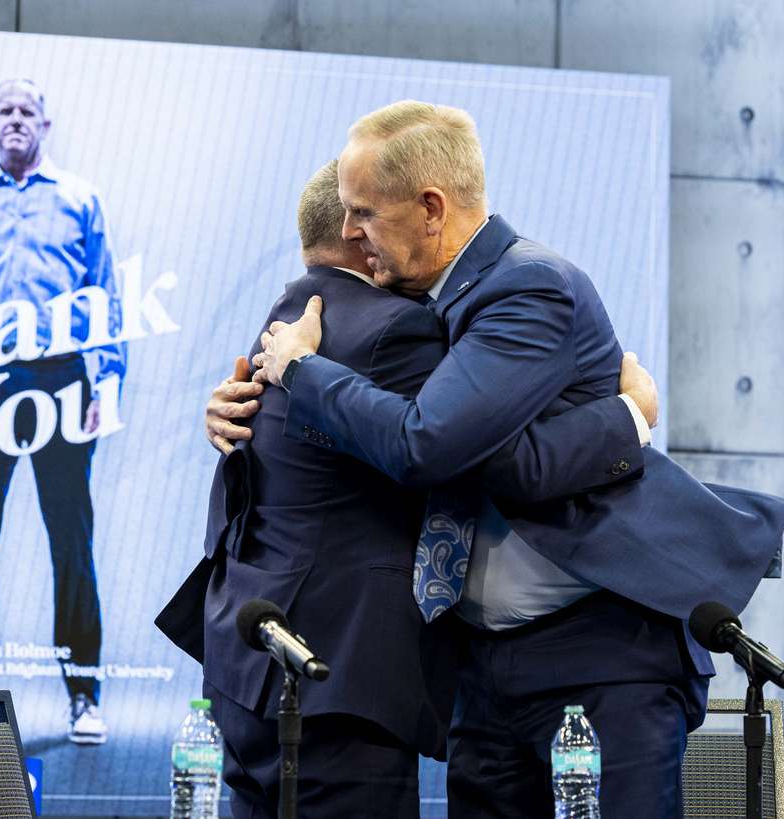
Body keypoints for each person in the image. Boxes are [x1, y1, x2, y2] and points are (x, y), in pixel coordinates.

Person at [235, 101, 784, 816]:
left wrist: (304, 372)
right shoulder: (420, 305)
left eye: (363, 213)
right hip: (485, 666)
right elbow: (500, 461)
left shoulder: (527, 287)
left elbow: (426, 444)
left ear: (431, 207)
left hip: (600, 653)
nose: (349, 232)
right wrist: (241, 394)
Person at [158, 161, 661, 818]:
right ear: (364, 239)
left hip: (244, 667)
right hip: (337, 680)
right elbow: (474, 449)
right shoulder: (397, 329)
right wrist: (628, 416)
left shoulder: (283, 321)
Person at [0, 79, 125, 745]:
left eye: (27, 112)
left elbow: (105, 298)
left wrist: (109, 384)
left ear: (45, 122)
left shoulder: (79, 201)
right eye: (5, 112)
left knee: (71, 543)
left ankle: (84, 697)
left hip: (62, 382)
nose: (16, 121)